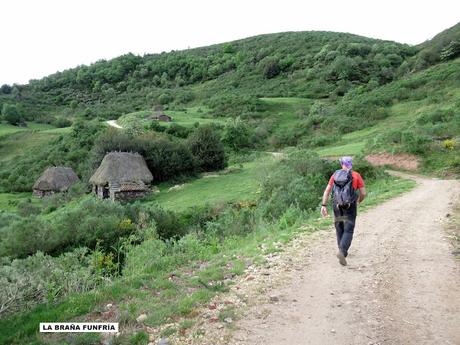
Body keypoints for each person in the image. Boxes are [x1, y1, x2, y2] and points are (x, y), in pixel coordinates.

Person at [320, 156, 366, 266]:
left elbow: (327, 191)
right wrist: (359, 201)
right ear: (351, 164)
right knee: (348, 229)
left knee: (339, 226)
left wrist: (324, 205)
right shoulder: (356, 175)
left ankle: (341, 248)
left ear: (342, 164)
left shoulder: (335, 175)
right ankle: (342, 251)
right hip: (349, 207)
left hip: (337, 206)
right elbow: (363, 193)